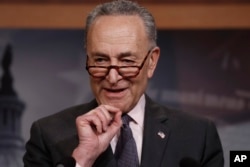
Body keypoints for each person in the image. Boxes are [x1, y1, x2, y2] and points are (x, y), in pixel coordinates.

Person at [23, 0, 224, 167]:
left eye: (127, 62)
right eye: (100, 60)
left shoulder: (197, 135)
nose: (112, 78)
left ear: (151, 62)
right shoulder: (48, 135)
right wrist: (82, 159)